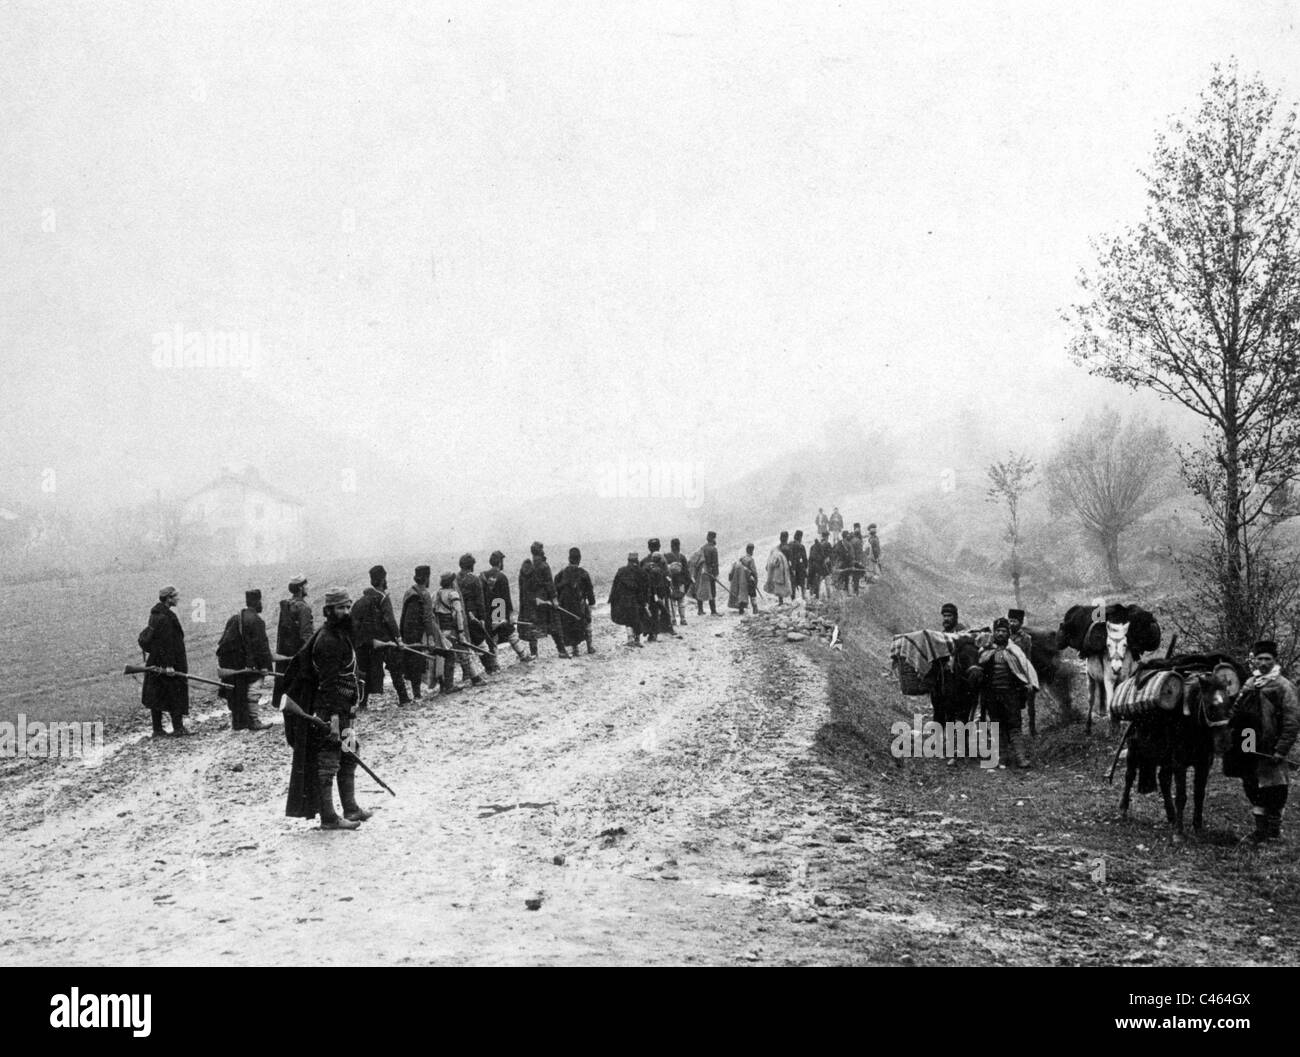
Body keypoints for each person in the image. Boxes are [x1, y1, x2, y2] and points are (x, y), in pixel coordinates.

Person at [282, 587, 365, 830]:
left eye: (348, 607)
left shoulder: (339, 634)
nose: (346, 612)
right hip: (331, 713)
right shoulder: (327, 640)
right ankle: (329, 817)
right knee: (329, 761)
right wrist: (335, 721)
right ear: (329, 611)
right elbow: (328, 685)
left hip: (344, 711)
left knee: (350, 751)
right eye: (341, 608)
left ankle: (350, 808)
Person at [1228, 641, 1300, 843]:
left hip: (1271, 747)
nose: (1263, 663)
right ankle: (1260, 830)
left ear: (1275, 660)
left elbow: (1292, 720)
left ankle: (1273, 832)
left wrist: (1281, 749)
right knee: (1252, 786)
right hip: (1249, 744)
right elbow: (1236, 709)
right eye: (1259, 658)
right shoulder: (1251, 683)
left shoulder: (1284, 686)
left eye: (1267, 659)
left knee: (1275, 789)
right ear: (1254, 660)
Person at [976, 617, 1039, 769]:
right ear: (993, 632)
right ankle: (1002, 757)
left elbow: (1025, 669)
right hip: (992, 694)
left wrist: (1027, 685)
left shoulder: (1015, 651)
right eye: (997, 631)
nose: (1000, 634)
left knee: (1014, 725)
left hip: (1011, 695)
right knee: (997, 725)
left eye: (1004, 631)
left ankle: (1020, 757)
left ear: (1008, 633)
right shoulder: (986, 651)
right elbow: (980, 671)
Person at [351, 565, 409, 707]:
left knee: (365, 671)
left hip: (368, 642)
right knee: (395, 669)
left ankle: (363, 703)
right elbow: (390, 620)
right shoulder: (383, 598)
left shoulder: (364, 599)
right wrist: (399, 640)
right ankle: (404, 698)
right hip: (384, 641)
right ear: (383, 580)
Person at [216, 589, 273, 732]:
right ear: (257, 602)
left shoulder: (236, 617)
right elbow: (261, 646)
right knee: (254, 687)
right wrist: (265, 667)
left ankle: (239, 723)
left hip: (232, 663)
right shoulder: (257, 620)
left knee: (237, 692)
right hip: (242, 664)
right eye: (260, 601)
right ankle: (253, 721)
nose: (262, 604)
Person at [140, 585, 189, 737]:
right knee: (175, 692)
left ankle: (157, 729)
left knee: (156, 694)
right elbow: (166, 643)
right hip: (169, 663)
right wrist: (169, 666)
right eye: (175, 596)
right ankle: (178, 728)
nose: (178, 598)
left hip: (156, 661)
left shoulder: (156, 615)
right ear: (169, 599)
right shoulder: (165, 618)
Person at [434, 572, 486, 689]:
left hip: (441, 631)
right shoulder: (453, 594)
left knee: (445, 657)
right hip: (453, 630)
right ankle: (475, 678)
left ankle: (445, 684)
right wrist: (461, 632)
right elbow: (458, 615)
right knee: (464, 653)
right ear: (452, 582)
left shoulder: (437, 593)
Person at [520, 542, 570, 658]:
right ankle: (561, 651)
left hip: (532, 602)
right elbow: (549, 584)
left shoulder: (527, 566)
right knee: (554, 624)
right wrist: (554, 599)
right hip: (544, 601)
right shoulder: (544, 565)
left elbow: (524, 587)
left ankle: (534, 653)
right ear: (541, 551)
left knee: (533, 626)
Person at [273, 576, 313, 713]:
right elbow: (306, 635)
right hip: (299, 653)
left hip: (286, 654)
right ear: (301, 588)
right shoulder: (303, 608)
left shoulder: (287, 605)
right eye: (306, 585)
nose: (308, 587)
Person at [482, 550, 532, 662]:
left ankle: (494, 663)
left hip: (488, 611)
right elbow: (506, 598)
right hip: (499, 610)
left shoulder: (483, 576)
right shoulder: (502, 577)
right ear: (499, 562)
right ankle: (523, 655)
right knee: (510, 633)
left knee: (492, 637)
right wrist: (510, 615)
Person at [930, 603, 972, 734]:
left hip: (960, 682)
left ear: (956, 617)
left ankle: (960, 746)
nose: (946, 619)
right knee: (940, 710)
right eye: (944, 616)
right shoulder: (942, 635)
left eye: (949, 616)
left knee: (960, 714)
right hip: (944, 680)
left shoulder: (963, 633)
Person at [399, 566, 440, 700]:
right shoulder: (425, 594)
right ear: (426, 578)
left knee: (411, 661)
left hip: (406, 632)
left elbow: (403, 614)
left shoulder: (409, 591)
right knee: (418, 662)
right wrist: (431, 637)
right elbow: (427, 618)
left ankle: (416, 692)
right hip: (417, 633)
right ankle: (418, 694)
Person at [457, 554, 500, 674]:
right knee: (481, 642)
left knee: (464, 645)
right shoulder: (474, 579)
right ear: (471, 566)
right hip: (473, 616)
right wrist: (482, 617)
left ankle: (467, 674)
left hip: (461, 616)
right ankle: (490, 667)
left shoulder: (455, 579)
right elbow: (480, 601)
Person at [555, 547, 597, 654]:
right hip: (580, 605)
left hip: (566, 606)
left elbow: (556, 588)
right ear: (579, 559)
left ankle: (575, 649)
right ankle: (589, 647)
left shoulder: (561, 574)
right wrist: (592, 602)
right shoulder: (583, 573)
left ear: (569, 558)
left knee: (571, 626)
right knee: (587, 623)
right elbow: (589, 591)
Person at [1007, 608, 1037, 735]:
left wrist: (1027, 676)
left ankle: (1031, 727)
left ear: (1020, 623)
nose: (1011, 624)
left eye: (1014, 621)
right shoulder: (1004, 635)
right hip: (1006, 672)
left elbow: (1027, 658)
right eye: (1010, 621)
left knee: (1025, 702)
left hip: (1020, 673)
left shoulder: (1025, 638)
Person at [609, 552, 648, 647]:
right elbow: (646, 587)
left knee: (628, 619)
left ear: (628, 560)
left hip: (624, 600)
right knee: (638, 618)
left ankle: (630, 639)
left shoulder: (621, 571)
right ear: (637, 560)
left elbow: (615, 586)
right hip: (638, 600)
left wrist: (612, 600)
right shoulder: (642, 572)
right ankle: (637, 640)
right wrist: (645, 600)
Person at [640, 540, 676, 640]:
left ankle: (652, 631)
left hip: (649, 591)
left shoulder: (644, 561)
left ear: (648, 547)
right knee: (664, 608)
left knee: (652, 610)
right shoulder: (663, 559)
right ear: (659, 547)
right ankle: (667, 628)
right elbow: (668, 574)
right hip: (661, 589)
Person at [665, 538, 694, 626]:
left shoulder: (667, 556)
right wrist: (687, 582)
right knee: (681, 600)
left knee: (672, 601)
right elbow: (686, 571)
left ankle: (673, 619)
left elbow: (665, 570)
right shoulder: (682, 557)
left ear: (671, 546)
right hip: (681, 582)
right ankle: (683, 619)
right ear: (679, 546)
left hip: (671, 582)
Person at [692, 531, 721, 616]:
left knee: (700, 589)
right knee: (712, 591)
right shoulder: (713, 549)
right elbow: (715, 564)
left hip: (701, 572)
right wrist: (716, 574)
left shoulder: (703, 547)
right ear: (714, 538)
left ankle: (700, 610)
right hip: (709, 572)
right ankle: (713, 610)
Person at [728, 544, 759, 613]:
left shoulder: (742, 558)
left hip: (742, 580)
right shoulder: (751, 560)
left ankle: (741, 610)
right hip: (749, 580)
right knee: (752, 595)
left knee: (742, 594)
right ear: (752, 551)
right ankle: (755, 609)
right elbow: (754, 571)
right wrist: (756, 580)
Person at [765, 533, 792, 604]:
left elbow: (770, 560)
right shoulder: (787, 548)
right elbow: (790, 559)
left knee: (780, 585)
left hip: (779, 570)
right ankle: (790, 600)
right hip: (784, 570)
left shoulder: (776, 548)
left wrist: (768, 566)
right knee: (786, 585)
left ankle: (782, 601)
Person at [808, 530, 832, 600]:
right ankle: (829, 598)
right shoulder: (828, 544)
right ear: (827, 536)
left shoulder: (814, 546)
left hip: (818, 568)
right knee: (827, 584)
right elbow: (830, 557)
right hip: (826, 567)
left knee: (817, 584)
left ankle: (816, 598)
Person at [789, 530, 809, 602]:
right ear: (800, 537)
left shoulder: (790, 544)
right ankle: (804, 598)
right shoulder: (801, 546)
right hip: (800, 568)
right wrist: (806, 567)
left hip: (791, 568)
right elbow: (804, 558)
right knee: (802, 583)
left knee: (793, 585)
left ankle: (793, 600)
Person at [832, 530, 853, 594]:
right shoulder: (849, 544)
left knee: (840, 577)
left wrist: (835, 562)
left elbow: (833, 552)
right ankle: (846, 590)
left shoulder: (838, 543)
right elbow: (851, 555)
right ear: (847, 536)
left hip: (839, 563)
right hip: (846, 563)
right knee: (847, 577)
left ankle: (839, 589)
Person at [848, 524, 866, 595]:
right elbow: (859, 552)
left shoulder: (851, 540)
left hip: (851, 560)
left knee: (854, 575)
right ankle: (856, 590)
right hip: (856, 560)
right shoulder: (858, 541)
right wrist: (860, 561)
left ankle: (854, 589)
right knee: (857, 575)